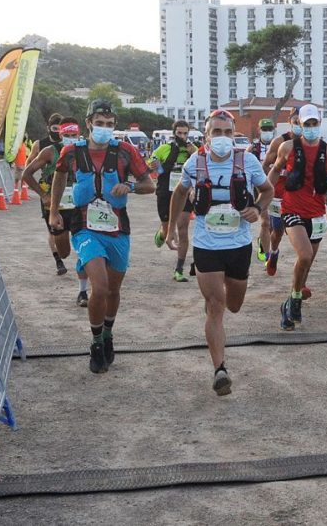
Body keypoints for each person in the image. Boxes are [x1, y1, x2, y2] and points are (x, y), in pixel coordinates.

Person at [166, 109, 273, 395]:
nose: (223, 138)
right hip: (207, 246)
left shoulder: (247, 161)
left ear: (235, 134)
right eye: (217, 132)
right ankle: (220, 369)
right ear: (207, 136)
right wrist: (170, 230)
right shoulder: (195, 162)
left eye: (228, 132)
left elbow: (268, 189)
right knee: (215, 305)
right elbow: (178, 193)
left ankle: (226, 305)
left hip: (238, 246)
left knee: (233, 304)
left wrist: (258, 208)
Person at [48, 99, 155, 373]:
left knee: (114, 290)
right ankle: (96, 342)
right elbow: (59, 177)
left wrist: (128, 186)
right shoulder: (72, 152)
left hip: (117, 228)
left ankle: (108, 334)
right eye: (99, 123)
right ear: (88, 123)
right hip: (84, 226)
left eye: (109, 124)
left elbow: (148, 184)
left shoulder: (125, 152)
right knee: (101, 285)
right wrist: (54, 211)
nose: (104, 128)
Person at [267, 104, 327, 331]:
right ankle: (296, 298)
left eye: (315, 124)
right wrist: (265, 190)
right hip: (291, 210)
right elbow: (275, 169)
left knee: (307, 263)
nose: (311, 128)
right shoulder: (288, 147)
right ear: (299, 125)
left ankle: (289, 304)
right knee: (304, 255)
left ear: (319, 124)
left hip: (316, 213)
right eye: (307, 124)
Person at [23, 117, 91, 306]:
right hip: (56, 208)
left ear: (79, 134)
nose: (71, 138)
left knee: (84, 248)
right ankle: (62, 254)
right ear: (60, 135)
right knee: (64, 252)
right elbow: (26, 174)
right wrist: (44, 195)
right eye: (67, 135)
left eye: (74, 135)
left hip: (80, 206)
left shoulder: (85, 151)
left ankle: (82, 292)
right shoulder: (49, 152)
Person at [149, 120, 198, 282]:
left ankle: (179, 269)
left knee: (182, 229)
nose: (183, 136)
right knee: (167, 228)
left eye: (185, 133)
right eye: (180, 133)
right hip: (165, 193)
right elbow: (152, 167)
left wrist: (193, 154)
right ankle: (162, 233)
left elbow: (202, 167)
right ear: (174, 133)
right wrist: (155, 164)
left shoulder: (194, 150)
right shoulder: (164, 149)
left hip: (185, 193)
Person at [261, 107, 303, 278]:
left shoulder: (313, 143)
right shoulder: (279, 142)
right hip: (279, 192)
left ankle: (302, 266)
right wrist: (265, 188)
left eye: (303, 123)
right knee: (277, 230)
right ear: (290, 122)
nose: (300, 126)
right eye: (296, 122)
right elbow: (265, 166)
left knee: (302, 232)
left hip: (300, 194)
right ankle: (274, 251)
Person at [251, 118, 276, 262]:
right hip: (260, 189)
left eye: (270, 129)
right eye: (264, 129)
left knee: (274, 225)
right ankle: (267, 256)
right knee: (266, 221)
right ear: (259, 130)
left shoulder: (279, 146)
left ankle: (263, 240)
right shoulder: (253, 149)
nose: (267, 132)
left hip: (276, 188)